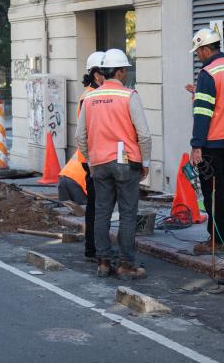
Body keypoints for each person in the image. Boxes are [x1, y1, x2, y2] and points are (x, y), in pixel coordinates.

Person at [76, 49, 151, 279]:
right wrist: (145, 161)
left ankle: (103, 263)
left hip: (99, 164)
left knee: (102, 213)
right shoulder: (129, 96)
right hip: (126, 163)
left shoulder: (89, 98)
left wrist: (91, 160)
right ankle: (126, 265)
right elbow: (144, 135)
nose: (126, 74)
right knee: (127, 214)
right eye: (125, 70)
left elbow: (80, 136)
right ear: (118, 71)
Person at [187, 28, 224, 255]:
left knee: (212, 191)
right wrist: (199, 91)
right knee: (223, 187)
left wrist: (196, 146)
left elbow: (203, 113)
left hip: (212, 141)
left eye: (198, 51)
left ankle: (217, 238)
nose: (197, 56)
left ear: (205, 48)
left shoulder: (208, 73)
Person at [57, 51, 105, 261]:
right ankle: (93, 249)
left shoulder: (91, 95)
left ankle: (94, 248)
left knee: (98, 206)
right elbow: (88, 132)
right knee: (97, 206)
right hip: (93, 160)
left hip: (93, 158)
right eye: (107, 72)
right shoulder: (90, 97)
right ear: (96, 75)